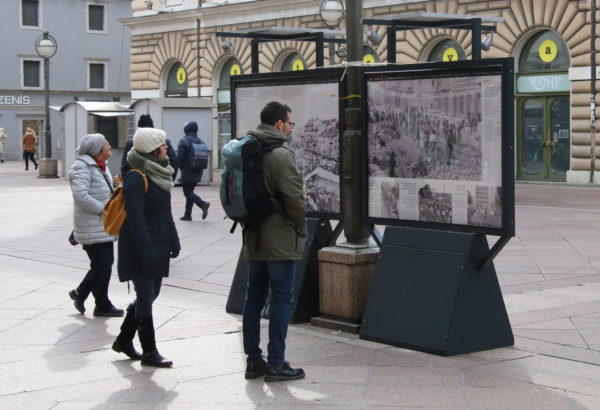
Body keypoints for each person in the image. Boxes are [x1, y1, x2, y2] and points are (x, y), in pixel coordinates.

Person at [242, 101, 307, 382]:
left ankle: (254, 361)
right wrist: (301, 227)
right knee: (281, 298)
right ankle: (277, 363)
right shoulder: (281, 155)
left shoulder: (247, 147)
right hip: (279, 237)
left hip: (253, 235)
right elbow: (294, 198)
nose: (291, 129)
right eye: (290, 124)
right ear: (279, 124)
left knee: (253, 298)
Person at [112, 127, 180, 367]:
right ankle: (149, 351)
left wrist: (174, 238)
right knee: (146, 295)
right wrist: (147, 252)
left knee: (151, 295)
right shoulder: (136, 177)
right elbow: (136, 218)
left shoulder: (160, 172)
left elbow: (165, 212)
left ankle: (123, 339)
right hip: (141, 247)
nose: (166, 148)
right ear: (152, 149)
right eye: (162, 144)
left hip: (159, 243)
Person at [68, 134, 124, 317]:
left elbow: (103, 191)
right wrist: (104, 210)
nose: (109, 146)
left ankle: (81, 293)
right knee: (103, 265)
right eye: (106, 144)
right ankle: (101, 304)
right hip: (92, 224)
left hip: (102, 225)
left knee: (103, 264)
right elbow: (81, 196)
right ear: (98, 150)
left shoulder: (101, 166)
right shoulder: (82, 167)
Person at [121, 114, 178, 180]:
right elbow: (174, 161)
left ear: (139, 128)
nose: (165, 147)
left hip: (138, 180)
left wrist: (127, 180)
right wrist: (169, 180)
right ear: (152, 127)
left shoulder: (132, 143)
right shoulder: (164, 141)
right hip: (160, 181)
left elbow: (125, 165)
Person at [176, 121, 210, 221]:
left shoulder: (184, 141)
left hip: (187, 170)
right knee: (190, 191)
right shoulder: (200, 141)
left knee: (187, 193)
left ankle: (203, 204)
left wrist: (180, 169)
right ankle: (187, 215)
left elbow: (180, 158)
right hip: (198, 170)